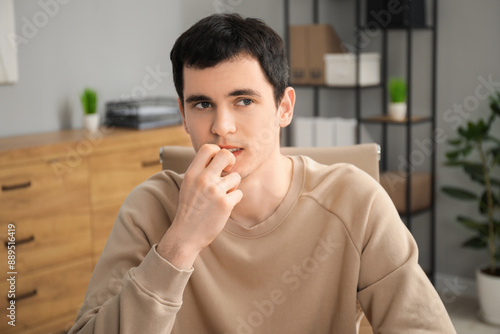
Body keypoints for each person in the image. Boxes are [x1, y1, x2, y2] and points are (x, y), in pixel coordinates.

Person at [69, 13, 456, 334]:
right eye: (202, 103)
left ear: (284, 107)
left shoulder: (356, 200)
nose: (222, 126)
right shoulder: (149, 208)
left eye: (243, 100)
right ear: (183, 115)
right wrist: (180, 243)